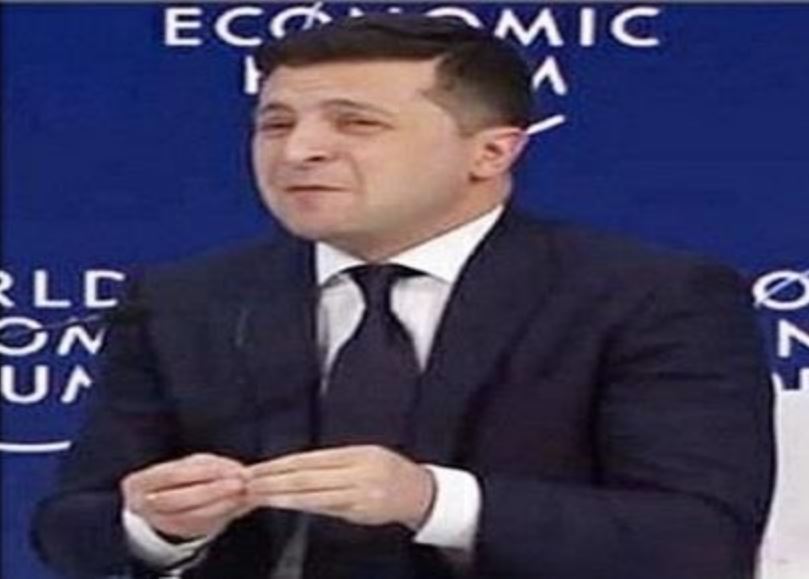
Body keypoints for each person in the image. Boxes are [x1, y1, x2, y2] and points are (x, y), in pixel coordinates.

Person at [33, 13, 775, 579]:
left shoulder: (650, 296)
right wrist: (157, 526)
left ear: (492, 151)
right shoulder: (185, 299)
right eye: (275, 123)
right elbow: (68, 527)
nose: (298, 151)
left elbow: (699, 540)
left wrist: (432, 501)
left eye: (357, 123)